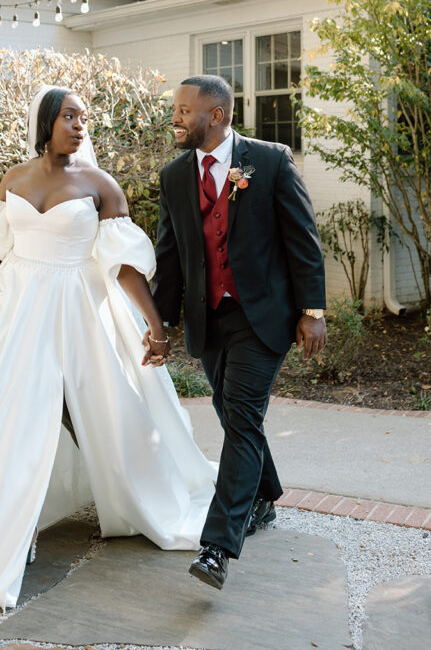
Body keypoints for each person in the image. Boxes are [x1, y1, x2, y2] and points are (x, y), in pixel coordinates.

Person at [0, 85, 217, 609]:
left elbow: (123, 267)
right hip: (18, 307)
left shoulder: (102, 186)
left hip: (76, 307)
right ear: (46, 122)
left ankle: (110, 496)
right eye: (69, 117)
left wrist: (156, 326)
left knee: (83, 412)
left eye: (84, 118)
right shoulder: (14, 179)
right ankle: (3, 522)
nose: (80, 125)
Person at [152, 75, 327, 590]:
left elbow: (304, 239)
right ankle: (265, 496)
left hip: (264, 315)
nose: (178, 118)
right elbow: (171, 256)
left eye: (187, 110)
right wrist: (159, 325)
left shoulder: (269, 160)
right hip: (210, 317)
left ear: (219, 115)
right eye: (177, 109)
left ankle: (217, 547)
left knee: (243, 415)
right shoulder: (173, 176)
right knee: (230, 412)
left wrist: (312, 309)